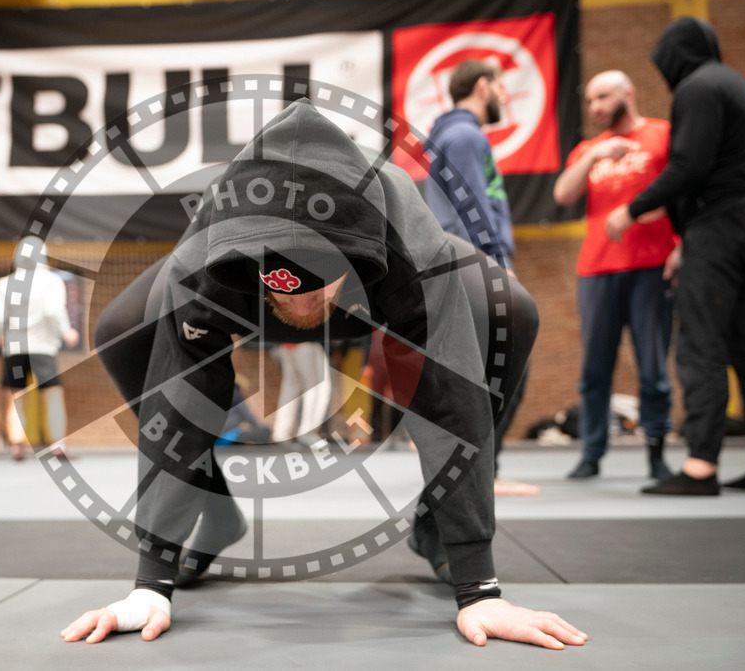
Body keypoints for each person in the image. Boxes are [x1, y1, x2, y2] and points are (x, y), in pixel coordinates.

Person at [61, 99, 586, 649]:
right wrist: (151, 583)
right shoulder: (208, 260)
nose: (305, 304)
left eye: (318, 287)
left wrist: (479, 587)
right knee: (120, 333)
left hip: (381, 273)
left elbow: (447, 397)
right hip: (246, 287)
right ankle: (213, 511)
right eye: (289, 285)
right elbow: (181, 402)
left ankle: (437, 521)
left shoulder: (410, 246)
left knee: (513, 312)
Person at [606, 17, 745, 495]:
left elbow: (690, 166)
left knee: (701, 346)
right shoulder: (738, 85)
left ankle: (701, 466)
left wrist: (632, 210)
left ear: (677, 55)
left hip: (718, 228)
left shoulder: (698, 87)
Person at [553, 70, 679, 481]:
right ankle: (591, 453)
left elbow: (683, 191)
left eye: (603, 97)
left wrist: (680, 244)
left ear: (629, 93)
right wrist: (592, 158)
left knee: (653, 369)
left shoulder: (663, 135)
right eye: (591, 100)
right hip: (597, 270)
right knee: (594, 369)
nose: (596, 107)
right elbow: (563, 194)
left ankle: (657, 453)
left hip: (651, 266)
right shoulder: (590, 149)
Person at [423, 59, 538, 496]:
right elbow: (474, 207)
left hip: (464, 264)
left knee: (490, 372)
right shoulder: (466, 135)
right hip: (478, 265)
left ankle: (479, 471)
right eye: (502, 88)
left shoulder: (449, 134)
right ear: (484, 86)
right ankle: (478, 473)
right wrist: (496, 264)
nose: (505, 97)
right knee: (505, 371)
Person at [0, 236, 79, 460]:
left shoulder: (4, 283)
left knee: (17, 397)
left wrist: (0, 336)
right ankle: (57, 445)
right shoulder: (51, 280)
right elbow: (52, 310)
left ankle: (17, 444)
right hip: (42, 349)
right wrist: (66, 330)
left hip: (14, 350)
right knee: (53, 395)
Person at [269, 342, 332, 446]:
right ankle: (307, 433)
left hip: (285, 343)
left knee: (290, 387)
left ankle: (281, 432)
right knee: (317, 388)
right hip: (307, 341)